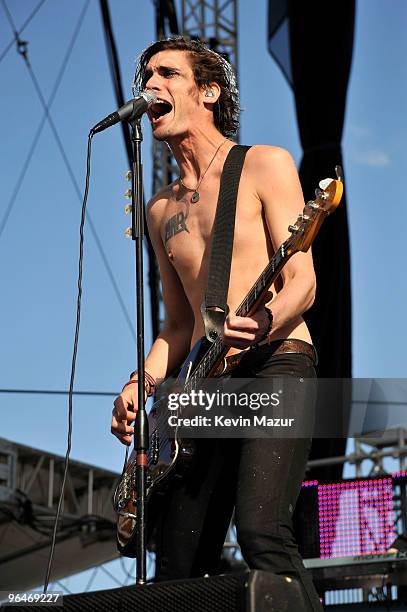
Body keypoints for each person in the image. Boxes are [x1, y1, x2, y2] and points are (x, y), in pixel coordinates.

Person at [111, 36, 322, 610]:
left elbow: (303, 283)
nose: (149, 85)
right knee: (178, 562)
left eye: (167, 74)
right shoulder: (159, 211)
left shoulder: (265, 164)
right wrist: (141, 382)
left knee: (262, 532)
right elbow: (177, 326)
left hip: (277, 361)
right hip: (208, 381)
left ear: (208, 91)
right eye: (146, 76)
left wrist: (265, 320)